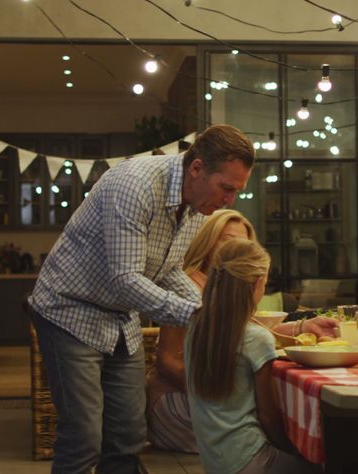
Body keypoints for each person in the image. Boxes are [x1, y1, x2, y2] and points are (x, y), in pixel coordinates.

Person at [29, 124, 254, 473]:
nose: (230, 201)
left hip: (119, 319)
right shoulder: (135, 185)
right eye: (226, 188)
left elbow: (167, 269)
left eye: (236, 191)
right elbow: (125, 279)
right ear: (196, 168)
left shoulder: (197, 205)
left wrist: (209, 309)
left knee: (128, 436)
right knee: (84, 437)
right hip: (69, 311)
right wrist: (198, 317)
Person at [146, 210, 337, 453]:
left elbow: (242, 335)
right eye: (227, 239)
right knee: (270, 424)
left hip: (207, 404)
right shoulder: (187, 288)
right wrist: (222, 394)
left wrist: (302, 326)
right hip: (178, 404)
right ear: (208, 241)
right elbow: (166, 361)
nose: (236, 248)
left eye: (244, 243)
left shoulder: (224, 291)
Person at [185, 238, 316, 474]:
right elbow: (269, 417)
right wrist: (294, 451)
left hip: (215, 462)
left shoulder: (197, 326)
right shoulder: (255, 338)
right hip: (250, 460)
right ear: (257, 283)